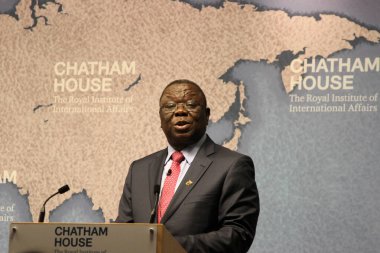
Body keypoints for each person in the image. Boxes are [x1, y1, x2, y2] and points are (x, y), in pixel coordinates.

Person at [116, 79, 260, 253]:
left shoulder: (233, 166)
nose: (180, 111)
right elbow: (122, 233)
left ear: (207, 115)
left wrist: (167, 246)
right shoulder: (139, 169)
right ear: (160, 117)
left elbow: (238, 235)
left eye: (191, 104)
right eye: (170, 106)